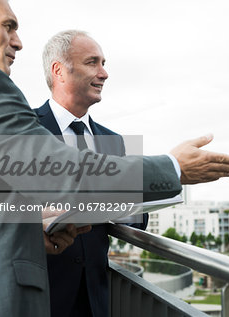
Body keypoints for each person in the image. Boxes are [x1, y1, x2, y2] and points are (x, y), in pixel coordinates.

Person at [0, 0, 229, 316]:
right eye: (9, 26)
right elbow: (67, 175)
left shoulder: (111, 139)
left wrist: (29, 228)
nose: (18, 41)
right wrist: (174, 167)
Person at [35, 30, 148, 317]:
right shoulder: (22, 130)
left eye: (104, 62)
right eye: (92, 62)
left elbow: (138, 219)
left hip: (95, 299)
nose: (104, 73)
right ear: (59, 71)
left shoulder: (115, 141)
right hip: (39, 297)